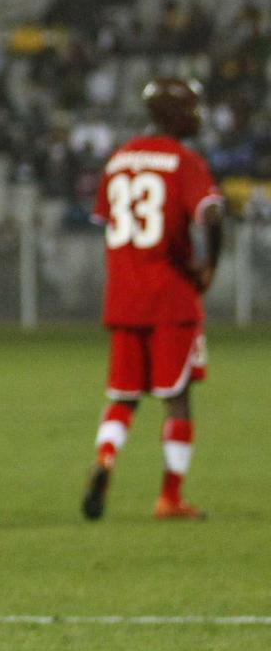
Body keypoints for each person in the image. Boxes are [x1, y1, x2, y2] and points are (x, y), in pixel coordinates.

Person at [82, 77, 223, 521]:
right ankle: (170, 496)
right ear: (172, 113)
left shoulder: (119, 159)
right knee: (176, 395)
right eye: (193, 108)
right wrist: (209, 263)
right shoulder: (184, 161)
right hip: (170, 296)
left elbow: (107, 220)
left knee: (123, 395)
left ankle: (105, 457)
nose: (198, 116)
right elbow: (212, 212)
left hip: (123, 296)